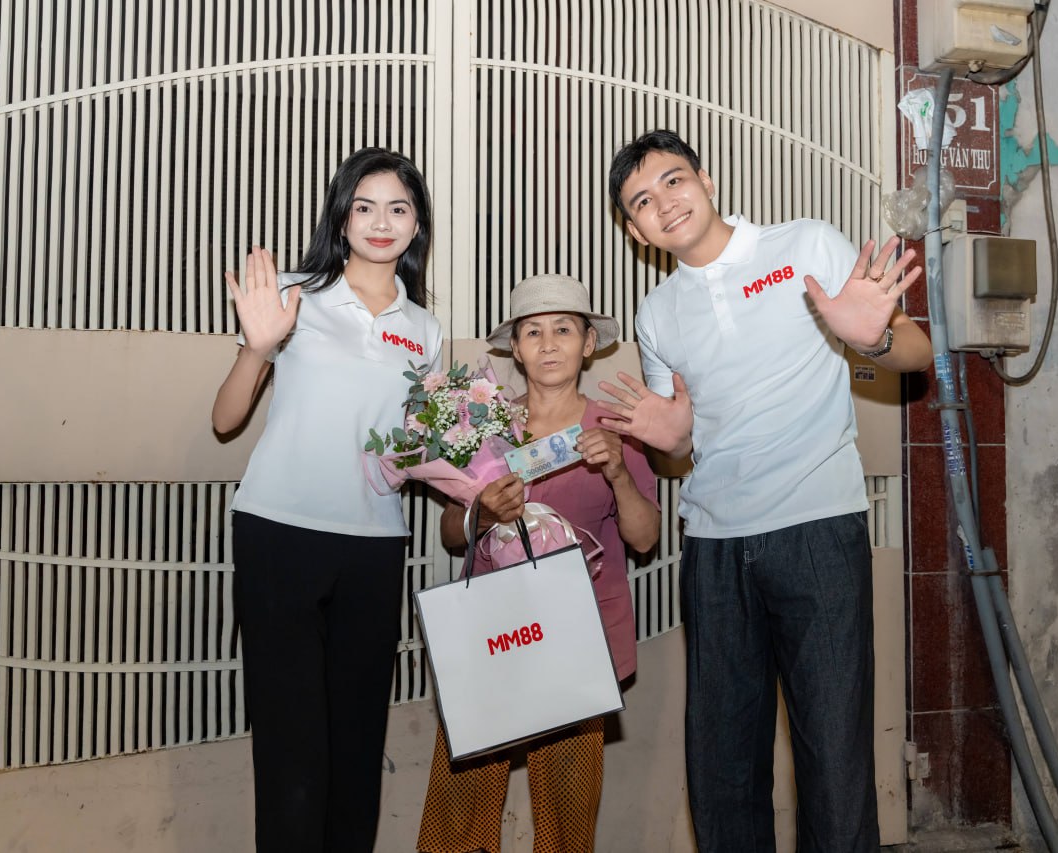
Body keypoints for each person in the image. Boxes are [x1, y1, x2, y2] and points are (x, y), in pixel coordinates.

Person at [597, 130, 933, 852]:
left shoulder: (804, 244)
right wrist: (670, 440)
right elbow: (680, 447)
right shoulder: (657, 314)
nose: (665, 203)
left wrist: (871, 339)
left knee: (834, 760)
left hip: (819, 531)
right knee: (721, 766)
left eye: (674, 180)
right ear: (636, 232)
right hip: (714, 548)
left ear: (707, 181)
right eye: (643, 202)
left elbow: (915, 351)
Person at [211, 148, 443, 852]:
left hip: (375, 544)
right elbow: (225, 420)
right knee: (292, 745)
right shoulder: (293, 294)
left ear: (417, 225)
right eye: (364, 206)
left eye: (398, 208)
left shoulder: (424, 328)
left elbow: (416, 447)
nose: (381, 222)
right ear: (341, 217)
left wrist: (440, 454)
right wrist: (257, 348)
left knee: (357, 740)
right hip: (279, 532)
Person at [416, 274, 661, 853]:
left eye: (563, 330)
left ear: (588, 343)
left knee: (566, 812)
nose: (549, 344)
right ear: (516, 349)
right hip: (492, 634)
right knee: (461, 805)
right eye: (533, 332)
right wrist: (481, 511)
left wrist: (618, 472)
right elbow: (451, 533)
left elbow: (645, 537)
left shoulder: (617, 427)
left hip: (580, 635)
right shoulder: (484, 423)